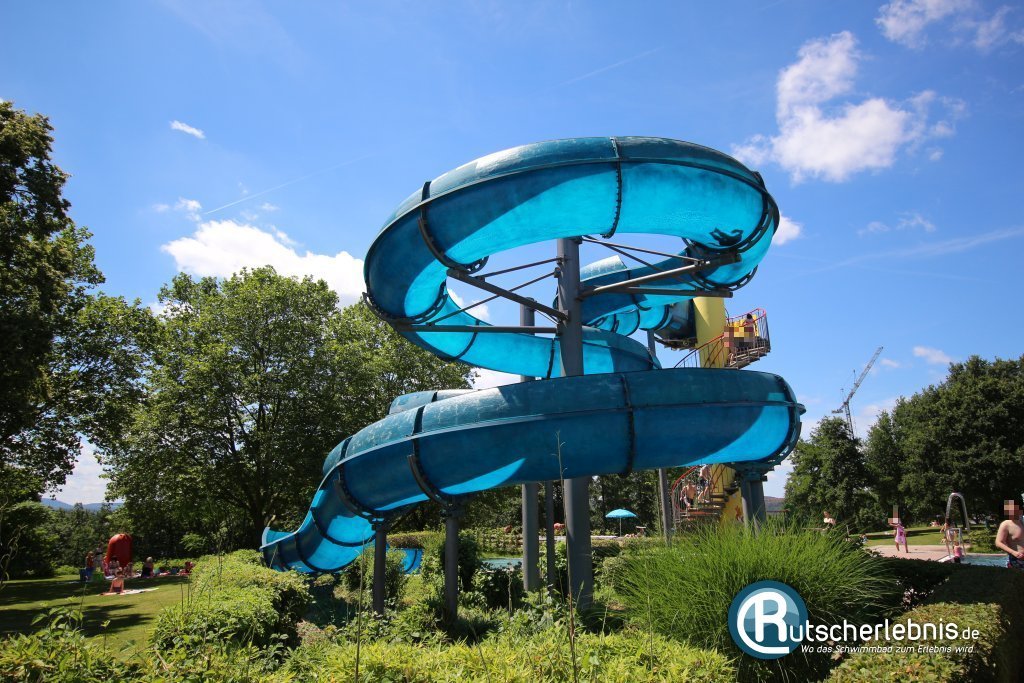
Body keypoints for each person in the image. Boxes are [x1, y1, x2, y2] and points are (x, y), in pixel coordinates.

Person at [995, 499, 1024, 569]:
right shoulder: (1006, 524)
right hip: (1017, 560)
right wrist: (1013, 552)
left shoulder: (1022, 522)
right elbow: (998, 542)